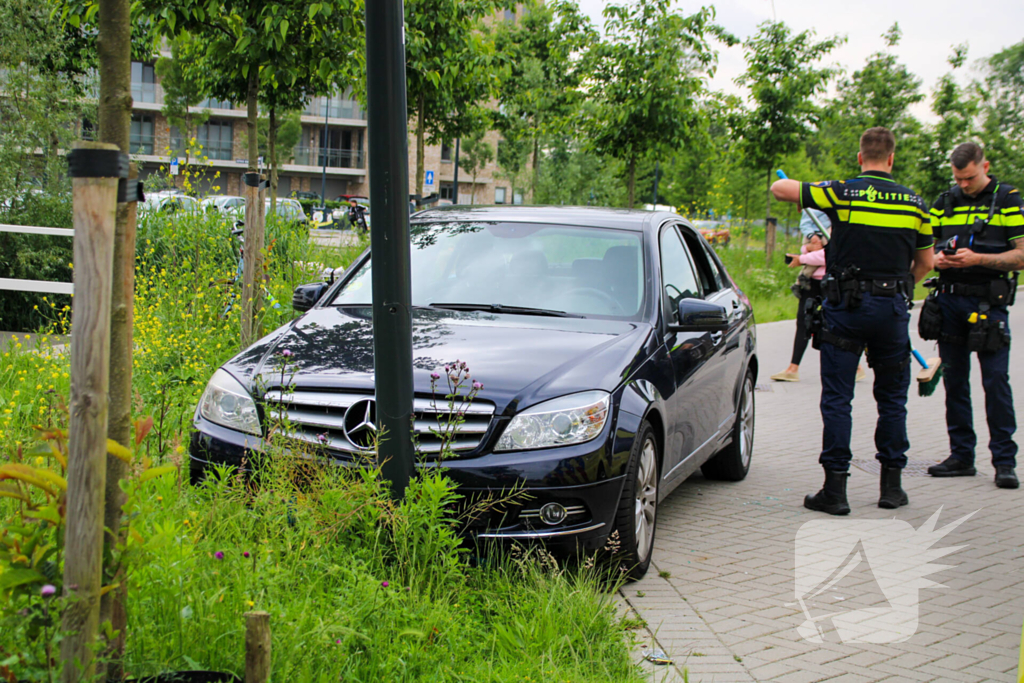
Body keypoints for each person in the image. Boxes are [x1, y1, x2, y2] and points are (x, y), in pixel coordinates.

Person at [770, 127, 934, 514]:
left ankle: (836, 491)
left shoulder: (841, 192)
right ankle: (892, 488)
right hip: (892, 310)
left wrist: (811, 193)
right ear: (892, 159)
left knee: (838, 399)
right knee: (892, 399)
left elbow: (781, 190)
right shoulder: (915, 204)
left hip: (845, 309)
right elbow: (926, 263)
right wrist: (896, 287)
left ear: (861, 158)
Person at [923, 142, 1024, 489]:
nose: (963, 185)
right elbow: (927, 248)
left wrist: (977, 259)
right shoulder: (945, 200)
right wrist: (938, 259)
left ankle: (1005, 462)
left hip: (988, 306)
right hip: (949, 302)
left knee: (996, 382)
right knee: (955, 383)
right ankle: (962, 456)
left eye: (969, 178)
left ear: (985, 166)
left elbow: (1022, 255)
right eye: (958, 178)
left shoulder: (1008, 199)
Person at [771, 224, 866, 384]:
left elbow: (829, 256)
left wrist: (802, 259)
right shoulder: (814, 228)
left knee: (835, 324)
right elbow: (805, 249)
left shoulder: (836, 226)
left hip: (830, 282)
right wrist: (809, 247)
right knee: (803, 322)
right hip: (811, 282)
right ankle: (793, 368)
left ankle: (856, 367)